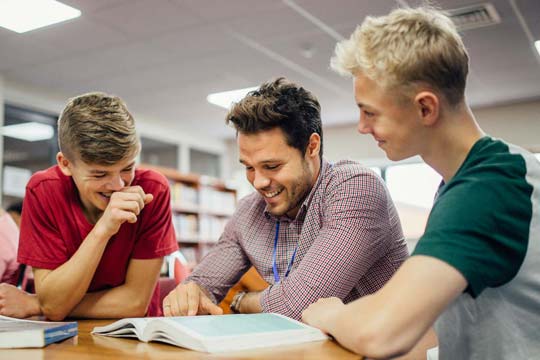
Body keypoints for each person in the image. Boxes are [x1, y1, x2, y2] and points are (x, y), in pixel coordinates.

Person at [301, 6, 540, 359]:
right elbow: (432, 324)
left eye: (370, 111)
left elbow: (382, 334)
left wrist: (331, 313)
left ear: (425, 108)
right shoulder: (469, 179)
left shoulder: (489, 187)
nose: (362, 127)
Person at [163, 77, 408, 321]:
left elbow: (300, 305)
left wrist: (241, 301)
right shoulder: (249, 211)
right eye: (249, 167)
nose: (258, 182)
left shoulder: (355, 187)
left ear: (311, 147)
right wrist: (189, 294)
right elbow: (201, 284)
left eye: (271, 166)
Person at [15, 92, 178, 320]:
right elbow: (53, 304)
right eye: (100, 173)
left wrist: (36, 305)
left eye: (127, 168)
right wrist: (103, 229)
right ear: (65, 164)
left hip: (135, 335)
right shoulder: (42, 190)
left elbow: (134, 304)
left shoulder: (153, 190)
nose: (118, 185)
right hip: (65, 338)